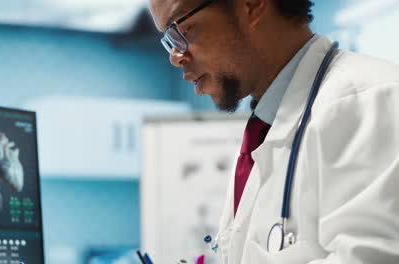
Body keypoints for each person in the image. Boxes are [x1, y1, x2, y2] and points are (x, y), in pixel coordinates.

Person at [148, 0, 399, 263]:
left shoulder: (367, 102)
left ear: (252, 5)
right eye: (169, 40)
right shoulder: (266, 129)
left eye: (181, 30)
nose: (175, 57)